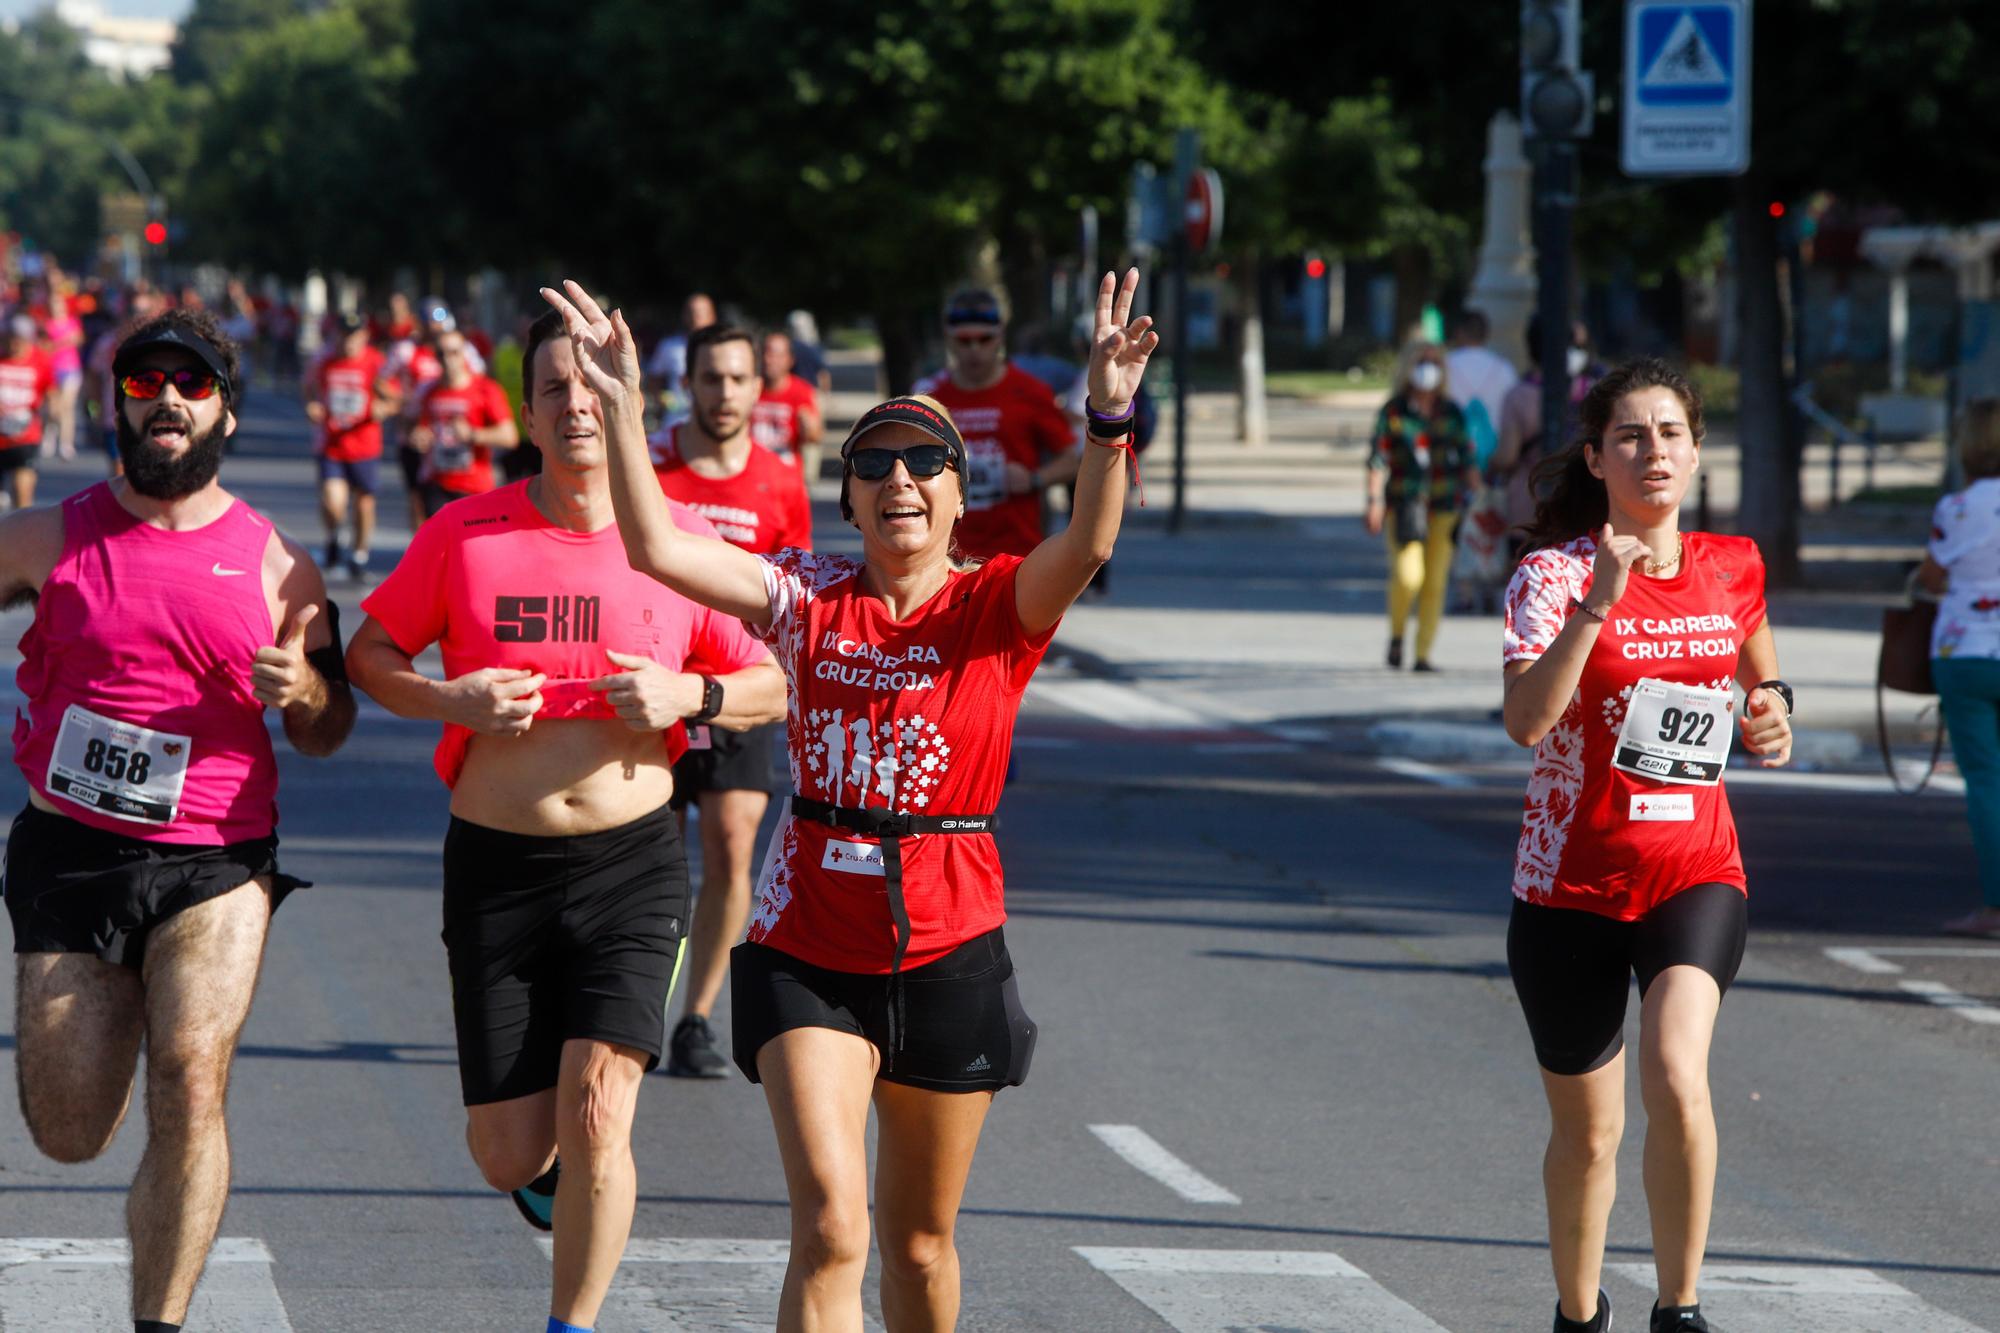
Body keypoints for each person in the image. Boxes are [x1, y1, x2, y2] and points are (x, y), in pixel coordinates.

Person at [541, 267, 1155, 1331]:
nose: (899, 479)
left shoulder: (994, 604)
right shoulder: (807, 595)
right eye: (872, 463)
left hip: (951, 937)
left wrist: (1107, 418)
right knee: (832, 1227)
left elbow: (1091, 542)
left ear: (960, 495)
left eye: (926, 462)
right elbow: (658, 549)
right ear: (849, 497)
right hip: (806, 943)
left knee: (918, 1247)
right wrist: (630, 406)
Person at [345, 310, 785, 1333]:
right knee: (506, 1150)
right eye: (556, 391)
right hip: (496, 865)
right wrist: (454, 702)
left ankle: (569, 1323)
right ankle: (545, 1175)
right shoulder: (463, 531)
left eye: (596, 390)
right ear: (529, 416)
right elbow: (371, 657)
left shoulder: (678, 545)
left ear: (625, 406)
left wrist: (689, 697)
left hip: (631, 862)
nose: (578, 408)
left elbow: (773, 679)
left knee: (599, 1107)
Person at [4, 308, 354, 1333]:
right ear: (118, 402)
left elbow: (332, 726)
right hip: (68, 852)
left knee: (192, 1078)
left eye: (191, 383)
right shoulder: (46, 534)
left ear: (223, 414)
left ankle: (158, 1321)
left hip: (214, 861)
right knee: (68, 1128)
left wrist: (304, 694)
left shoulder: (277, 565)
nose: (167, 395)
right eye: (147, 379)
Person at [1500, 358, 1793, 1333]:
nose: (1651, 451)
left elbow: (1758, 666)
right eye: (1629, 435)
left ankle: (1679, 1310)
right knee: (1587, 1136)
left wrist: (1770, 710)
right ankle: (1578, 1316)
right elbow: (1524, 722)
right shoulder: (1548, 577)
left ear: (1696, 452)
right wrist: (1597, 600)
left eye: (1669, 433)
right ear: (1594, 457)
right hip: (1567, 887)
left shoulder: (1731, 563)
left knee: (1676, 1071)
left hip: (1693, 869)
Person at [649, 322, 813, 1077]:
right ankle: (630, 999)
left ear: (758, 386)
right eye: (710, 377)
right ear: (690, 383)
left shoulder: (780, 480)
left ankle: (696, 1018)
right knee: (646, 853)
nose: (723, 393)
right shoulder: (651, 464)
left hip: (739, 687)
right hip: (649, 683)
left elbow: (801, 594)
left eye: (737, 378)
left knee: (731, 843)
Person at [915, 287, 1079, 559]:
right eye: (964, 341)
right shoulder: (929, 396)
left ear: (1000, 335)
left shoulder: (1030, 392)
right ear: (949, 338)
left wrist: (1034, 479)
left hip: (1015, 554)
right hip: (945, 558)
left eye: (984, 339)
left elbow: (1071, 460)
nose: (975, 350)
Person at [1919, 399, 2000, 937]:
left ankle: (1995, 905)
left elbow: (1932, 578)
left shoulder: (1957, 508)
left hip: (1965, 653)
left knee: (1986, 783)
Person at [1364, 337, 1478, 671]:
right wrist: (1372, 500)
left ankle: (1423, 653)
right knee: (1408, 576)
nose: (1427, 370)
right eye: (1420, 362)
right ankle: (1397, 635)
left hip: (1446, 505)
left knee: (1436, 582)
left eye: (1434, 363)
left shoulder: (1451, 411)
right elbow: (1376, 458)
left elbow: (1467, 457)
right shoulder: (1395, 410)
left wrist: (1479, 491)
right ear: (1408, 368)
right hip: (1405, 504)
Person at [1495, 317, 1606, 558]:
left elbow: (1507, 456)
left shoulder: (1518, 396)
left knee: (1530, 581)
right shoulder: (1597, 393)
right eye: (1575, 345)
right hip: (1588, 506)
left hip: (1529, 507)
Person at [303, 314, 391, 580]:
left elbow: (396, 397)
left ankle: (359, 554)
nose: (348, 341)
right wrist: (312, 405)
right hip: (332, 444)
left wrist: (383, 408)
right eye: (343, 335)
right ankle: (333, 537)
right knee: (334, 501)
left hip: (365, 445)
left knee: (364, 503)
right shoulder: (324, 360)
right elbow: (308, 387)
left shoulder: (376, 362)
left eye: (354, 336)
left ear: (364, 336)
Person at [407, 328, 518, 518]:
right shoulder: (429, 391)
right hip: (437, 483)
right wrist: (418, 437)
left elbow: (510, 436)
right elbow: (417, 428)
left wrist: (472, 435)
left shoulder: (486, 389)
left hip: (474, 487)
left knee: (469, 547)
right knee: (441, 546)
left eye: (454, 352)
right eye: (441, 354)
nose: (448, 359)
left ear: (464, 354)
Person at [1445, 308, 1517, 472]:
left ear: (1459, 332)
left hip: (1453, 455)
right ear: (1486, 334)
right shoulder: (1504, 368)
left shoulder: (1446, 364)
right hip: (1496, 457)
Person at [0, 312, 57, 509]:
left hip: (25, 435)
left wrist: (53, 415)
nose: (14, 344)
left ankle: (18, 534)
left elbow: (50, 390)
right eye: (10, 338)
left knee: (22, 493)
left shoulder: (40, 359)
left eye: (20, 339)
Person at [751, 328, 825, 477]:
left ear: (790, 360)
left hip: (786, 475)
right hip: (752, 472)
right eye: (766, 353)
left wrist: (808, 427)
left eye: (776, 355)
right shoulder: (750, 388)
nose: (769, 360)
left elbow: (815, 437)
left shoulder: (801, 391)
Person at [643, 292, 717, 425]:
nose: (696, 317)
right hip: (676, 421)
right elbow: (653, 380)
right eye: (692, 312)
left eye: (701, 313)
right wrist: (663, 398)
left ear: (712, 316)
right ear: (685, 316)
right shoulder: (669, 346)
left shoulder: (721, 350)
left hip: (711, 424)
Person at [42, 286, 86, 461]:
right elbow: (44, 347)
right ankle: (50, 435)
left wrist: (62, 343)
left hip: (70, 368)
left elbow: (79, 339)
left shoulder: (72, 322)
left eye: (58, 304)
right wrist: (62, 343)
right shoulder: (46, 324)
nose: (56, 307)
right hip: (51, 370)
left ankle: (66, 443)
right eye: (52, 304)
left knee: (67, 407)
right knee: (53, 408)